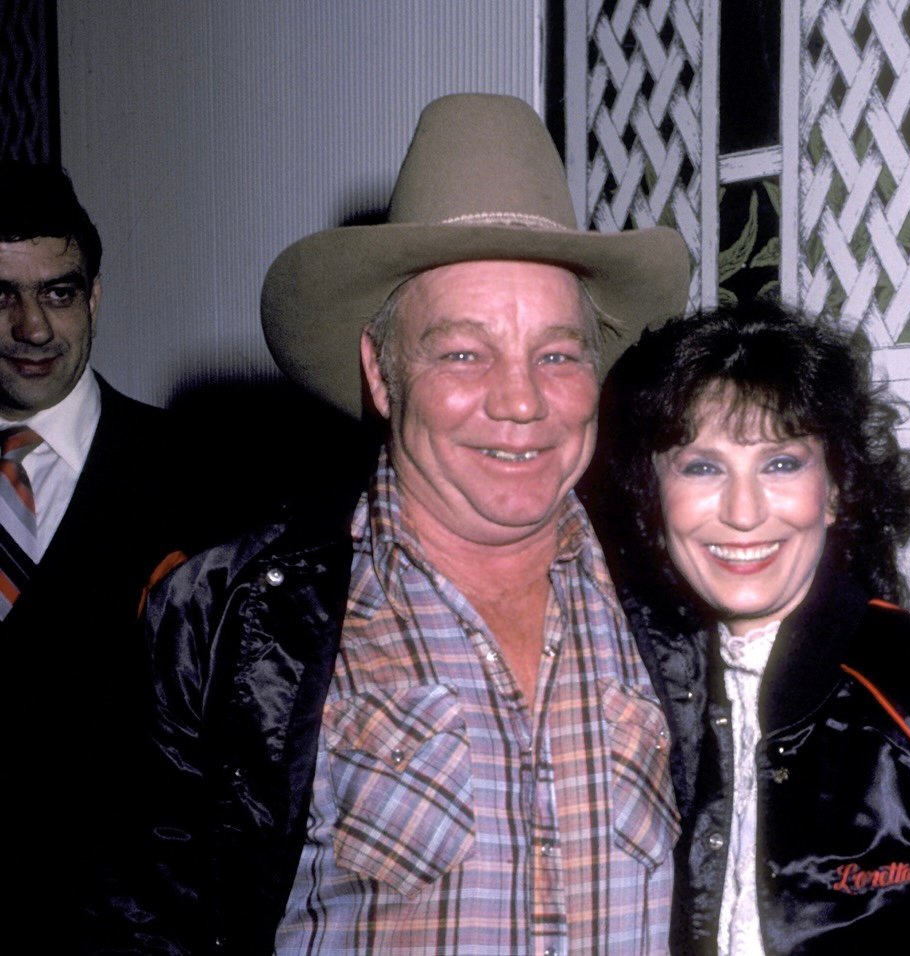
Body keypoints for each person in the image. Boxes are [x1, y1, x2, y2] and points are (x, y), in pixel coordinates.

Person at [112, 94, 690, 954]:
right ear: (382, 377)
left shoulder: (683, 605)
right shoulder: (234, 616)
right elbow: (142, 924)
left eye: (559, 354)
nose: (522, 400)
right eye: (463, 352)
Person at [596, 301, 910, 953]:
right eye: (702, 466)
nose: (744, 511)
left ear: (836, 487)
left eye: (781, 463)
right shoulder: (627, 688)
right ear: (652, 493)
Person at [0, 162, 202, 932]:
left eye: (58, 292)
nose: (33, 329)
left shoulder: (199, 475)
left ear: (94, 297)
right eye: (2, 296)